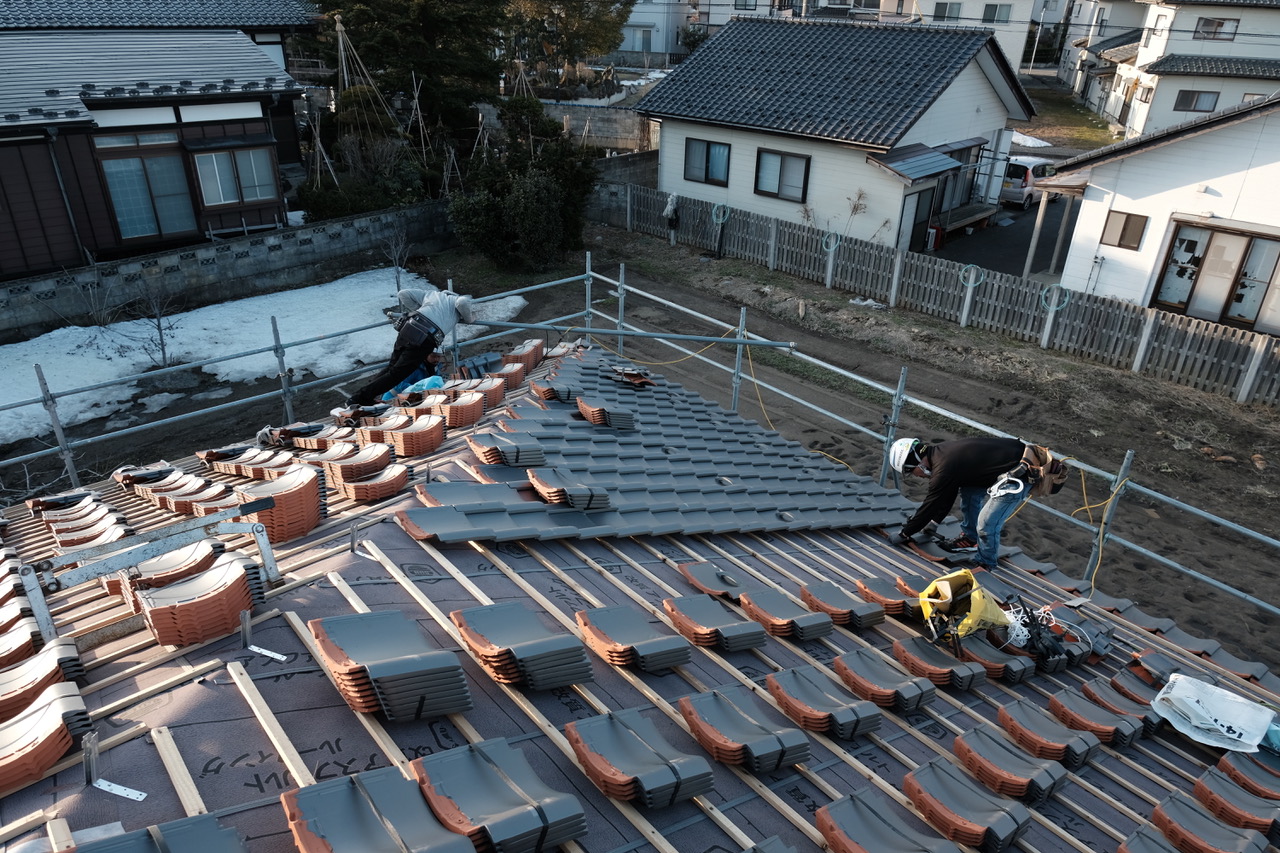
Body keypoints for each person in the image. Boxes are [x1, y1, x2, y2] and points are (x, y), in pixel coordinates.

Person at [888, 436, 1036, 572]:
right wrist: (934, 522)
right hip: (1006, 460)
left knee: (986, 524)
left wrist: (905, 533)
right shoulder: (940, 453)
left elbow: (931, 504)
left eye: (912, 472)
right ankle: (971, 538)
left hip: (1020, 471)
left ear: (917, 463)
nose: (916, 475)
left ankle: (986, 564)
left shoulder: (943, 469)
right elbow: (947, 493)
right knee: (969, 492)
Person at [333, 287, 474, 417]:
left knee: (392, 368)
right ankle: (359, 398)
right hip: (425, 337)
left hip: (409, 327)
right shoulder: (456, 300)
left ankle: (363, 397)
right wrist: (469, 319)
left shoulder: (431, 294)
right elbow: (462, 303)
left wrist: (420, 309)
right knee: (397, 373)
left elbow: (403, 294)